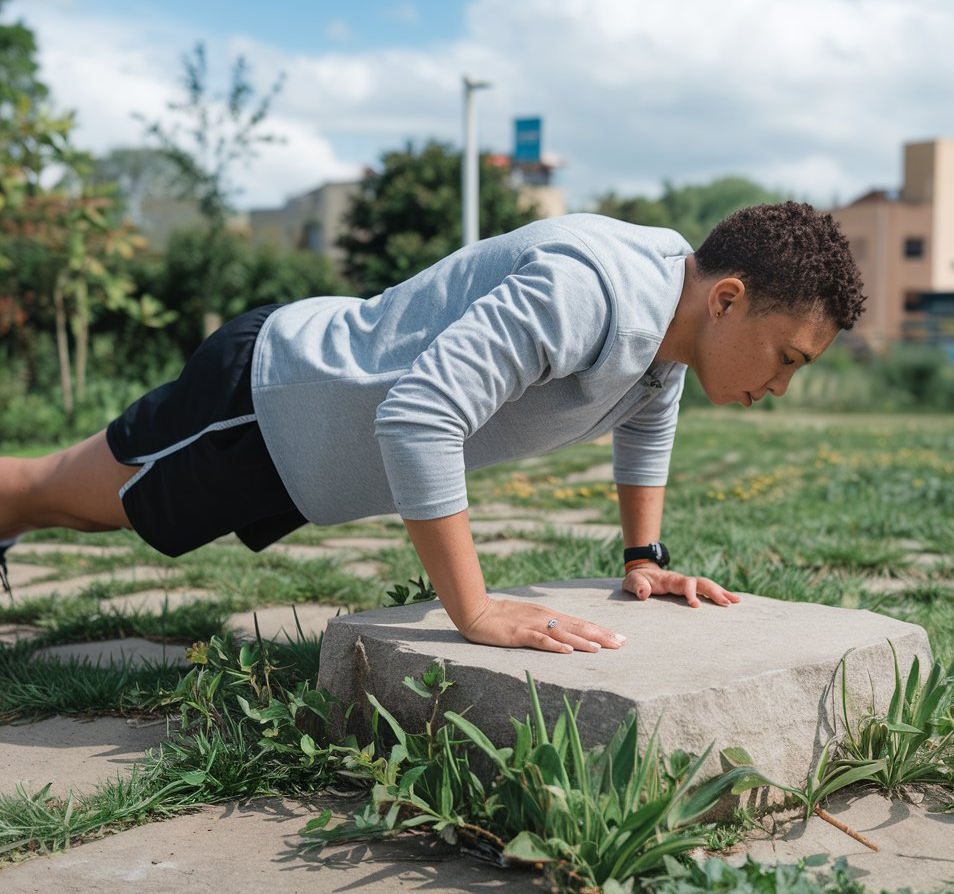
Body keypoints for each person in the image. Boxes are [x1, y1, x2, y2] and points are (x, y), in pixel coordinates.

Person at [0, 202, 865, 653]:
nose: (783, 383)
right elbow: (420, 416)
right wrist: (474, 609)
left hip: (308, 453)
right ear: (728, 300)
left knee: (75, 502)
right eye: (788, 356)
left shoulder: (671, 323)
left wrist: (643, 560)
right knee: (59, 496)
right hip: (270, 401)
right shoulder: (593, 289)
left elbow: (647, 421)